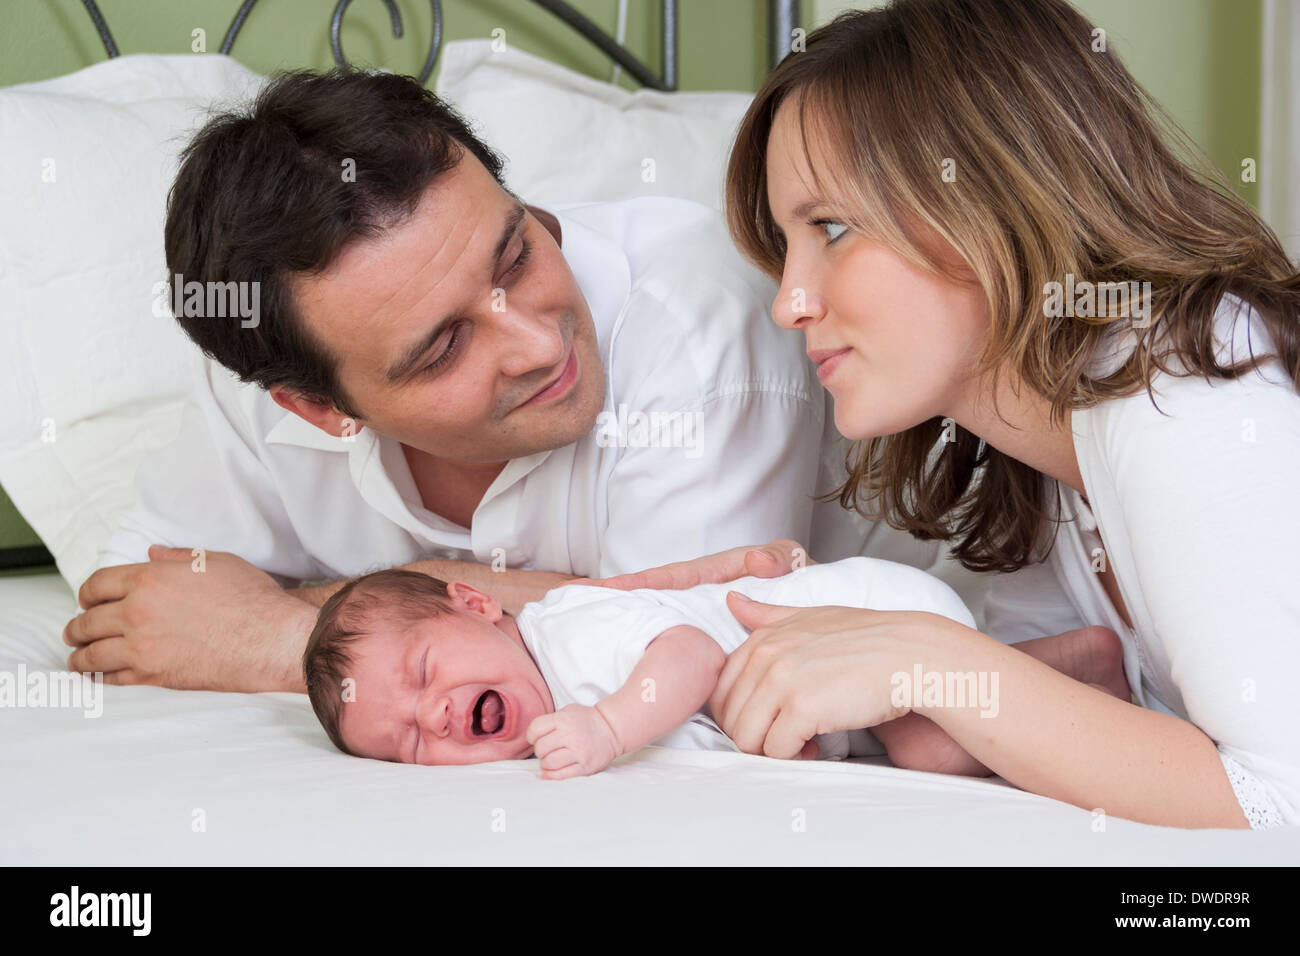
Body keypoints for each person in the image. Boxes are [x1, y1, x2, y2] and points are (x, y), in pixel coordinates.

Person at [598, 0, 1300, 829]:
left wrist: (926, 661)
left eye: (831, 227)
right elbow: (1079, 708)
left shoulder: (1188, 378)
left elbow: (1278, 803)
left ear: (993, 196)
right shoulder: (1039, 464)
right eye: (786, 247)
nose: (789, 303)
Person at [62, 69, 842, 694]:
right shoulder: (270, 361)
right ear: (318, 409)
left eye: (516, 256)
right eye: (443, 348)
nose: (538, 343)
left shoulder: (699, 326)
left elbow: (682, 665)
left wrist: (283, 636)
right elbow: (135, 606)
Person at [300, 560, 1129, 778]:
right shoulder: (547, 701)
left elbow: (691, 657)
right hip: (843, 688)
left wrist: (609, 727)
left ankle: (1097, 709)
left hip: (872, 620)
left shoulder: (570, 639)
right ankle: (1070, 660)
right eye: (408, 743)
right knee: (921, 737)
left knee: (936, 754)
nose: (434, 715)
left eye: (422, 673)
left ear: (477, 606)